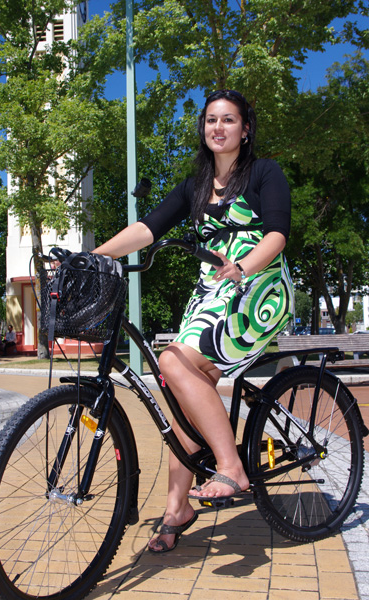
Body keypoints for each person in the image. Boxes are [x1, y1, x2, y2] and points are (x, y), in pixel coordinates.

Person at [92, 89, 294, 553]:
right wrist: (95, 255)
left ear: (245, 129)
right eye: (210, 121)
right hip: (209, 294)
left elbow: (278, 233)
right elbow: (147, 228)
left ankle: (232, 465)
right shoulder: (194, 186)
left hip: (255, 287)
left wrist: (243, 267)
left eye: (228, 120)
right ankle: (178, 507)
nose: (218, 127)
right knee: (175, 387)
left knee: (172, 362)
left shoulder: (265, 172)